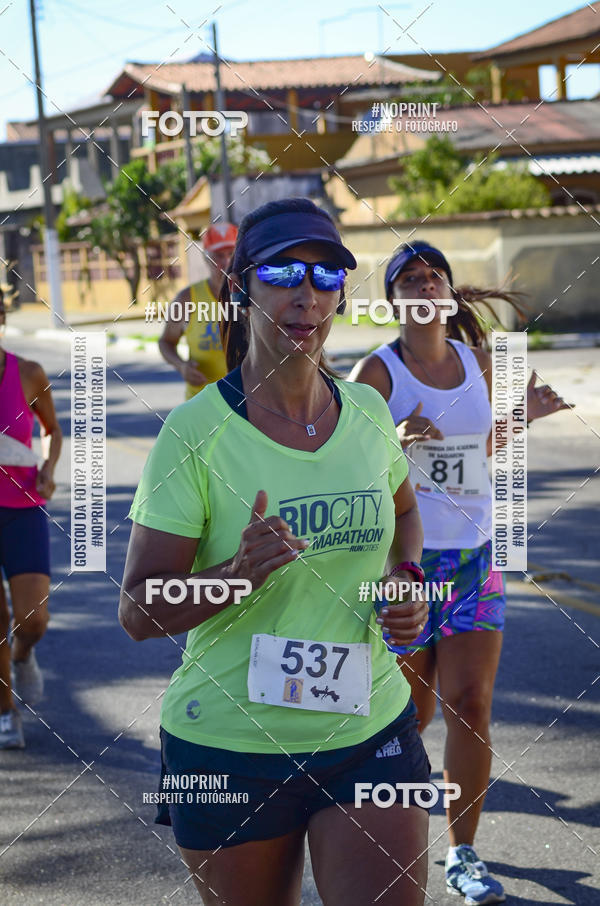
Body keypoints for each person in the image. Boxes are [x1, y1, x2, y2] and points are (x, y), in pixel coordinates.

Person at [120, 198, 432, 906]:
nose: (307, 293)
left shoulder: (368, 413)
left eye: (326, 277)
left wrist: (404, 577)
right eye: (285, 271)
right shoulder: (195, 433)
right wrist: (234, 576)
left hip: (368, 726)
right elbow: (138, 611)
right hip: (231, 748)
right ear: (241, 288)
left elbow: (404, 514)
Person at [351, 240, 569, 905]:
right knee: (408, 716)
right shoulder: (378, 373)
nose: (423, 285)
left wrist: (520, 419)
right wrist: (393, 442)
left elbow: (476, 451)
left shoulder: (478, 362)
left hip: (475, 559)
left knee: (470, 708)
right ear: (393, 298)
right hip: (406, 564)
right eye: (408, 279)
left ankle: (464, 853)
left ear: (448, 292)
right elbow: (352, 466)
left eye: (433, 276)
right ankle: (381, 831)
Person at [0, 289, 62, 748]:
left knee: (33, 619)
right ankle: (6, 712)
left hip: (22, 510)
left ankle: (23, 656)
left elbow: (53, 430)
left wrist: (47, 468)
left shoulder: (27, 373)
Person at [159, 223, 237, 400]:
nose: (225, 262)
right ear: (206, 258)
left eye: (231, 254)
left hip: (247, 406)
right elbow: (166, 342)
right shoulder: (187, 299)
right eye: (218, 256)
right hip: (202, 405)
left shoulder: (255, 296)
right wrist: (181, 366)